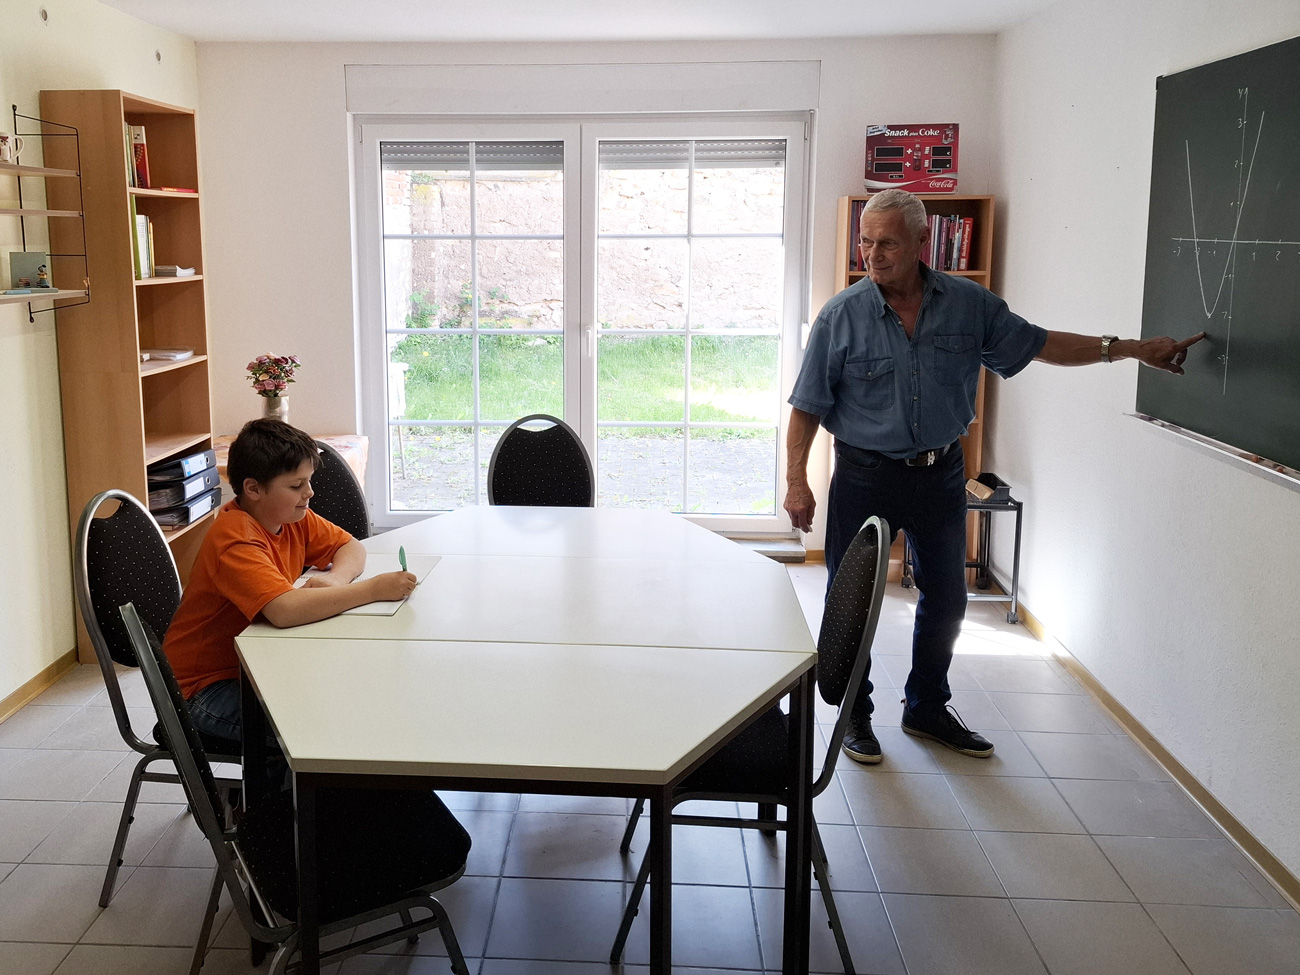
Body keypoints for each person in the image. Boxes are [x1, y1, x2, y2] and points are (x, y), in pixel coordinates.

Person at [785, 189, 1204, 764]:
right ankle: (855, 712)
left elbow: (1042, 344)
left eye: (887, 243)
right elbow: (807, 406)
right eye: (865, 241)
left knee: (948, 598)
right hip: (864, 476)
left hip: (940, 475)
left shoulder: (968, 304)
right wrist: (797, 480)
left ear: (922, 242)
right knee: (852, 600)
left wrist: (1128, 349)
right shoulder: (841, 316)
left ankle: (926, 707)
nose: (872, 255)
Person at [162, 418, 417, 744]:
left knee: (344, 702)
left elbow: (350, 546)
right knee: (315, 730)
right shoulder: (235, 538)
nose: (309, 493)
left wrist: (337, 579)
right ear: (254, 489)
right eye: (296, 486)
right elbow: (284, 610)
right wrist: (372, 589)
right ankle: (280, 779)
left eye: (308, 481)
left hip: (253, 665)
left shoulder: (289, 516)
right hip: (201, 689)